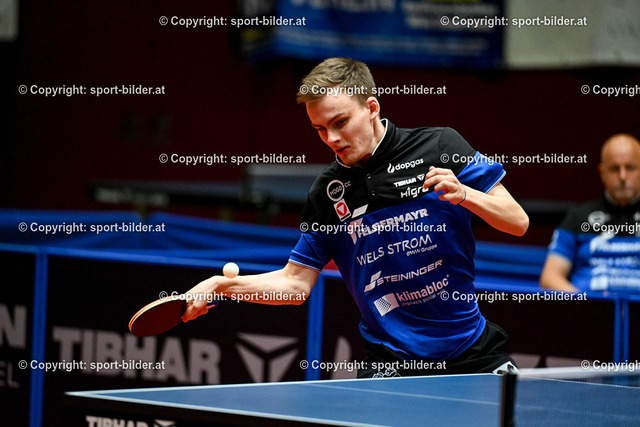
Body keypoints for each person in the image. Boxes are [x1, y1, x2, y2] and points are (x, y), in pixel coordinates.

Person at [183, 58, 529, 377]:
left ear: (371, 108)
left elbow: (517, 222)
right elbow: (295, 284)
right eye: (320, 129)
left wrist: (466, 194)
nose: (332, 138)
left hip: (471, 349)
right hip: (391, 361)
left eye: (340, 122)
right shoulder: (327, 192)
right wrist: (221, 286)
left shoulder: (440, 145)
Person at [540, 133, 640, 293]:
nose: (622, 176)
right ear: (602, 173)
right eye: (614, 169)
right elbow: (550, 277)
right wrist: (586, 303)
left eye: (630, 168)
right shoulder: (578, 217)